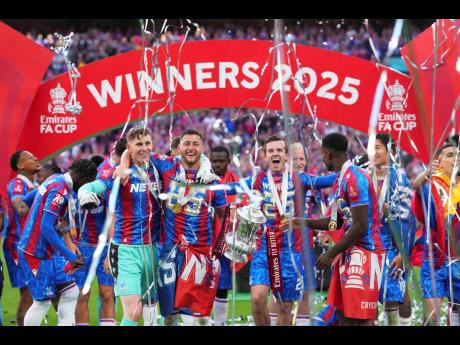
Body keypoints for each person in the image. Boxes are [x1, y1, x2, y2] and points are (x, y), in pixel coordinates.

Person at [117, 129, 227, 326]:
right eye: (186, 143)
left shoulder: (214, 181)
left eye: (195, 144)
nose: (191, 148)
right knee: (169, 314)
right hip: (170, 251)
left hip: (199, 252)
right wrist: (124, 162)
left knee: (196, 315)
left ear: (202, 148)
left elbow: (223, 215)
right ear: (178, 148)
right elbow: (135, 150)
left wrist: (217, 250)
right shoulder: (167, 165)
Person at [227, 135, 335, 326]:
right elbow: (231, 188)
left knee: (284, 307)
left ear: (286, 157)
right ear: (265, 157)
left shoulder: (299, 178)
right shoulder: (258, 179)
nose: (275, 154)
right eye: (271, 151)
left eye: (279, 150)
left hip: (290, 253)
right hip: (263, 250)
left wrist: (349, 170)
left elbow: (326, 181)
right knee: (258, 298)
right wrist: (205, 187)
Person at [293, 132, 386, 326]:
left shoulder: (355, 178)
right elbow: (335, 222)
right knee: (343, 315)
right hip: (349, 252)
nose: (322, 158)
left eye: (322, 154)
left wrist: (331, 254)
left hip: (366, 253)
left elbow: (360, 225)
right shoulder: (341, 180)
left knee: (359, 318)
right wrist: (302, 221)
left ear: (327, 153)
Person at [18, 159, 97, 326]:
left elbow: (28, 198)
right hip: (35, 252)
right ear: (82, 179)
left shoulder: (54, 179)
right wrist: (69, 255)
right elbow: (46, 228)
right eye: (87, 184)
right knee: (42, 302)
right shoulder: (60, 190)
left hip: (47, 252)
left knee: (71, 291)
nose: (84, 189)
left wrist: (53, 221)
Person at [266, 142, 321, 326]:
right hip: (282, 244)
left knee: (305, 290)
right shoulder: (278, 181)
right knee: (279, 293)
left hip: (306, 245)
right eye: (295, 158)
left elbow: (322, 209)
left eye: (302, 158)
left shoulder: (310, 182)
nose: (298, 162)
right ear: (288, 158)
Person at [412, 142, 460, 326]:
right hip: (434, 259)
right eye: (449, 155)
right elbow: (416, 186)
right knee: (432, 317)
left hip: (457, 259)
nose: (455, 157)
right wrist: (427, 173)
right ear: (438, 162)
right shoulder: (431, 184)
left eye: (457, 154)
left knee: (456, 310)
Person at [371, 134, 415, 326]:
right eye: (372, 147)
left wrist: (402, 253)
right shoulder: (363, 175)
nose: (374, 152)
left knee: (394, 294)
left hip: (391, 246)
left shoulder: (400, 180)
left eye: (378, 147)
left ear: (391, 152)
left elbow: (408, 220)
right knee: (367, 298)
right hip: (366, 246)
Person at [3, 150, 41, 326]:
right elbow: (21, 209)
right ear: (20, 165)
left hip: (30, 245)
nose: (36, 158)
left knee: (36, 293)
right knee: (28, 294)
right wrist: (41, 192)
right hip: (17, 245)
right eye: (31, 157)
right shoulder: (17, 184)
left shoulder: (31, 185)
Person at [210, 145, 240, 326]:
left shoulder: (235, 182)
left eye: (221, 161)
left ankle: (220, 323)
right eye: (214, 161)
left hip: (225, 243)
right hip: (204, 241)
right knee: (200, 286)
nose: (217, 165)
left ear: (228, 161)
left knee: (222, 286)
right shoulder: (203, 179)